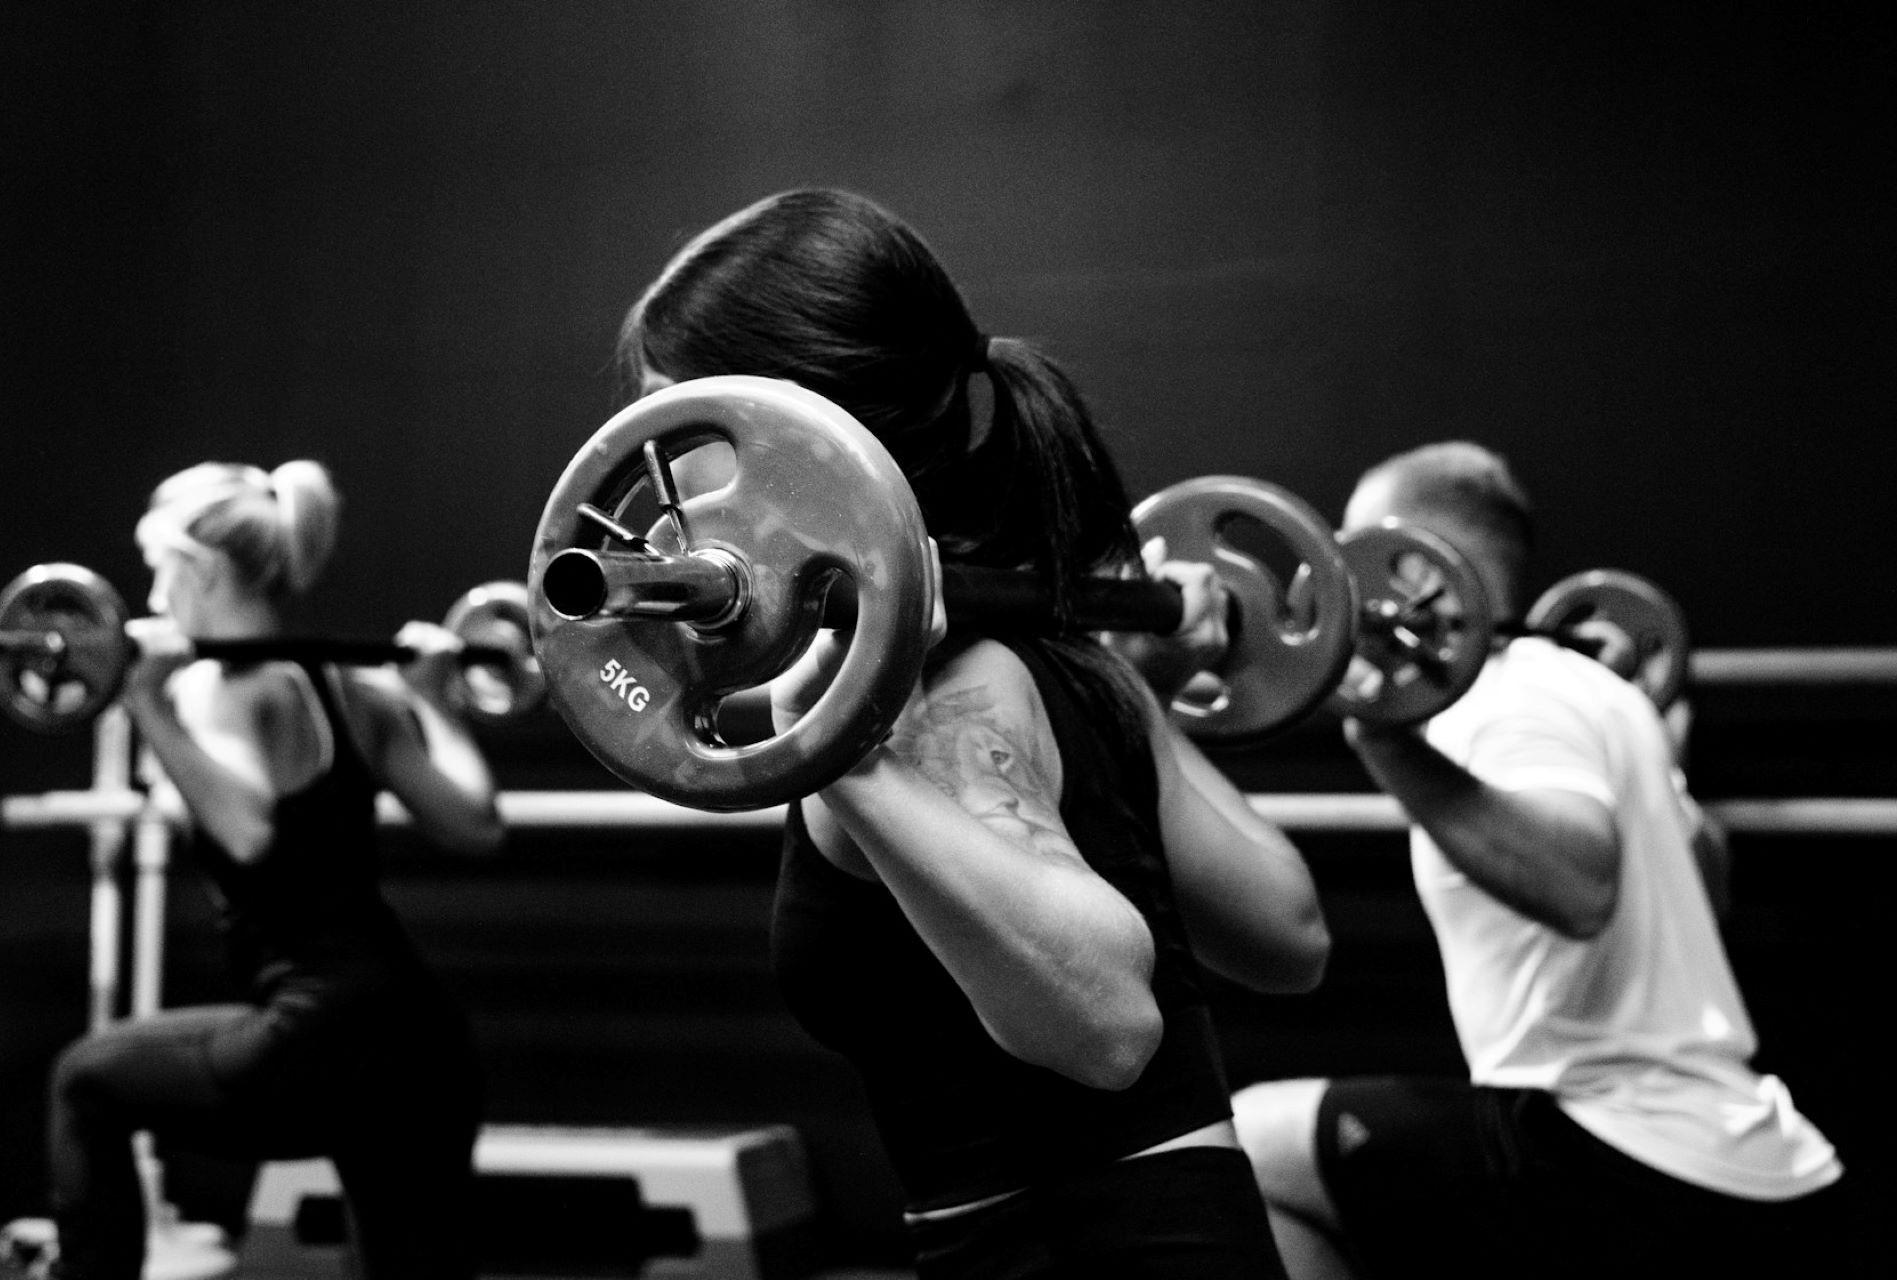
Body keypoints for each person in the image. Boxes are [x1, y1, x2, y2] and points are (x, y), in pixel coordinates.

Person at [619, 187, 1331, 1278]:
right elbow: (1286, 932)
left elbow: (1109, 1025)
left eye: (684, 427)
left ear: (803, 425)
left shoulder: (938, 702)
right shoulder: (1075, 657)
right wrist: (1142, 707)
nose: (659, 494)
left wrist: (840, 749)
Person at [1231, 441, 1845, 1279]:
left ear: (1409, 567)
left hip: (1620, 1145)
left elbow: (1580, 886)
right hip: (1740, 1153)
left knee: (1248, 1146)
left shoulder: (1504, 697)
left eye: (1355, 544)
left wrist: (1382, 736)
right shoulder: (1598, 694)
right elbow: (1711, 884)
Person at [8, 461, 503, 1280]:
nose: (155, 597)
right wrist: (434, 699)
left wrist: (146, 704)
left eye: (161, 568)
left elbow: (246, 832)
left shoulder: (215, 690)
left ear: (198, 568)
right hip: (420, 1046)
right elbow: (478, 825)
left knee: (84, 1080)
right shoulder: (358, 684)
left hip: (316, 1039)